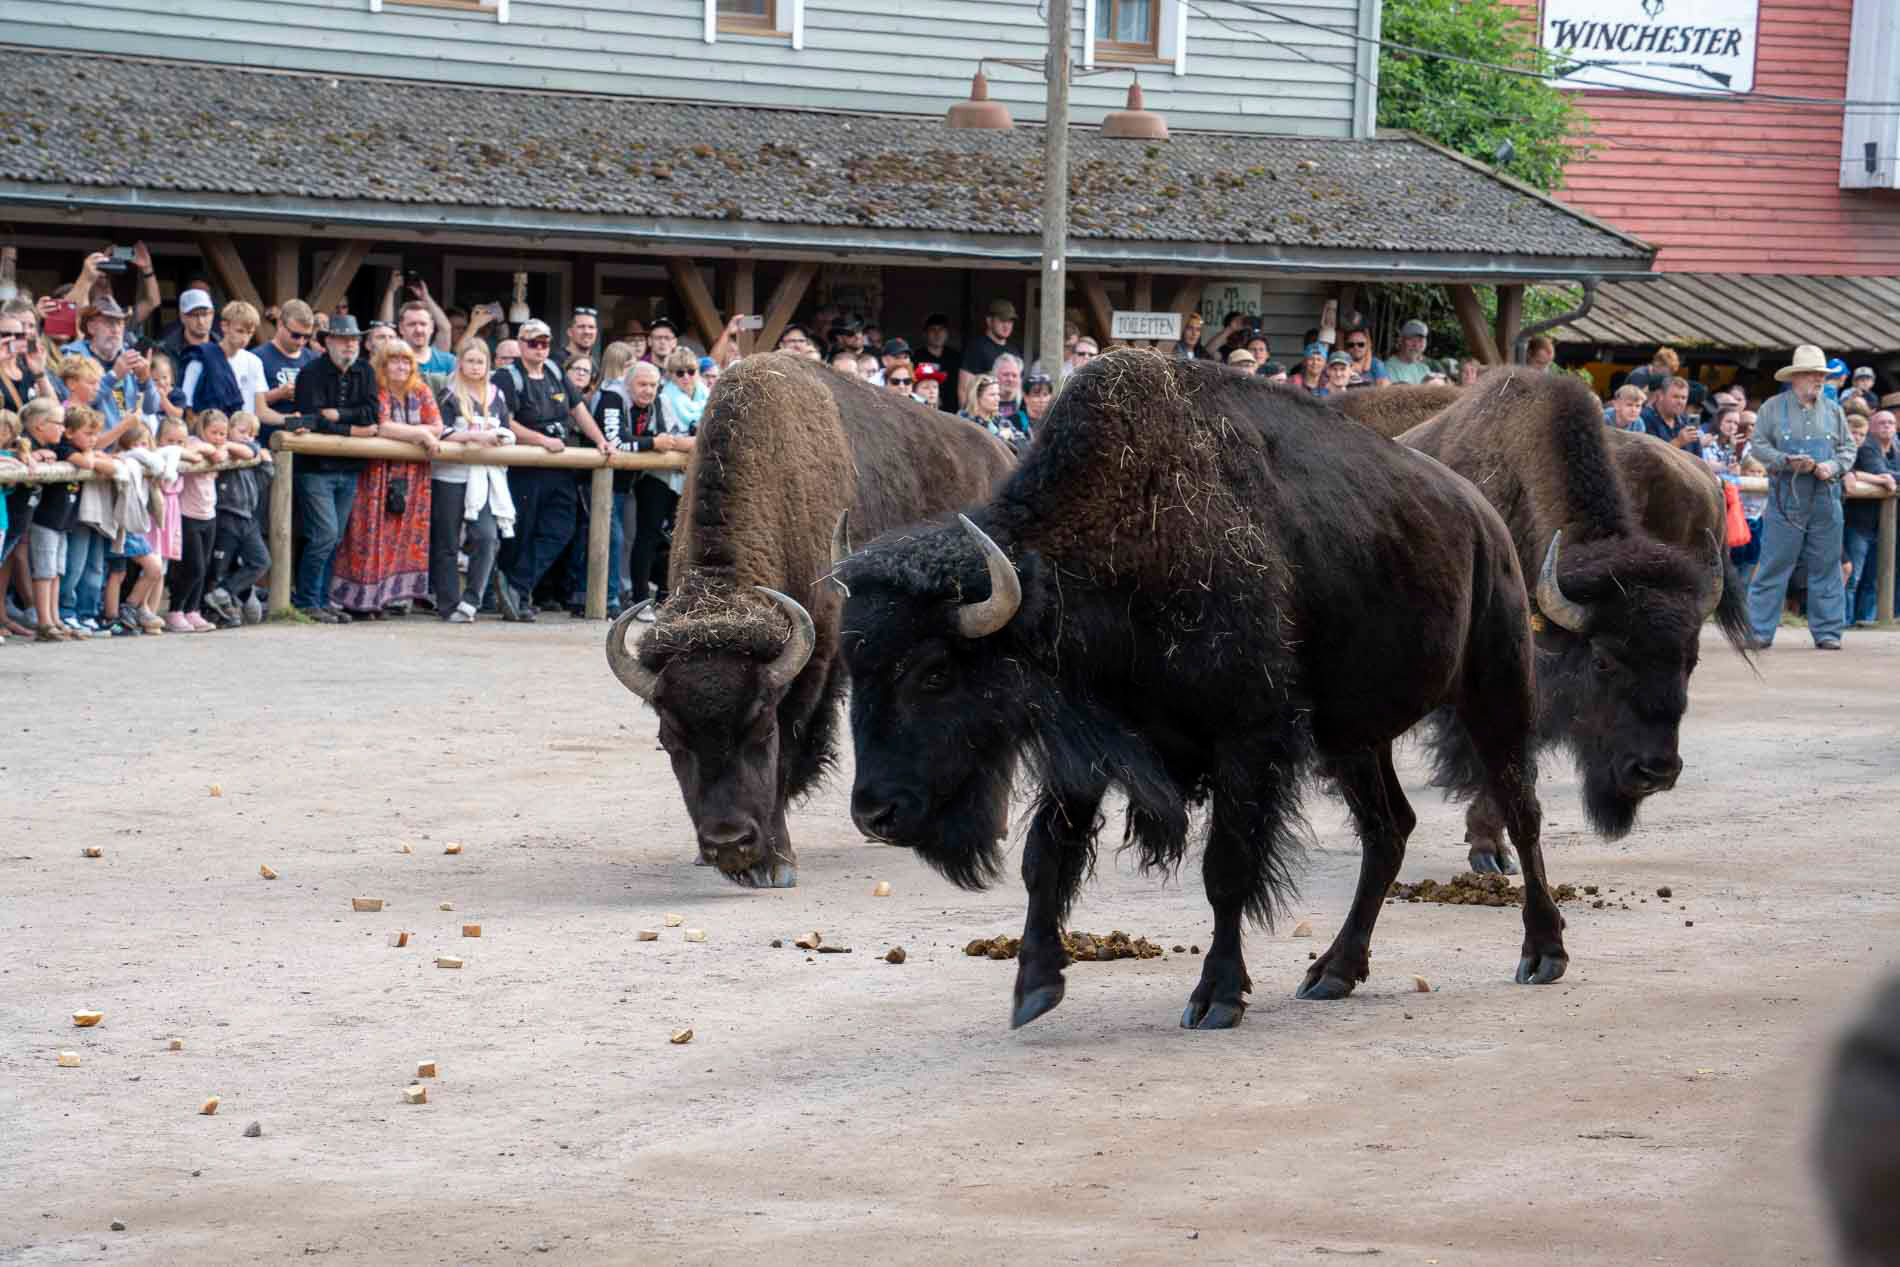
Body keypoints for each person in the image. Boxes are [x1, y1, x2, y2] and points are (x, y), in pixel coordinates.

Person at [1744, 345, 1858, 650]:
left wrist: (1831, 466)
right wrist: (1785, 460)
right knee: (1774, 564)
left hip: (1825, 495)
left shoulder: (1834, 411)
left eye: (1822, 375)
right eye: (1812, 374)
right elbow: (1757, 445)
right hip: (1786, 496)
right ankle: (1758, 631)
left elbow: (1848, 449)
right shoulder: (1771, 407)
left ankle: (1828, 633)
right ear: (1795, 377)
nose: (1819, 380)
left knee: (1827, 565)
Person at [492, 318, 605, 622]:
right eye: (533, 343)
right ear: (520, 344)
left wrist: (600, 440)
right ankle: (516, 594)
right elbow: (506, 420)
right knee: (521, 533)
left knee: (561, 528)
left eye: (544, 343)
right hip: (525, 466)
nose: (540, 349)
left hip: (560, 465)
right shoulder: (507, 377)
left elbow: (577, 408)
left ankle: (517, 585)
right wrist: (541, 440)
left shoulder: (556, 370)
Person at [330, 338, 440, 617]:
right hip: (376, 475)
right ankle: (358, 601)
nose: (401, 366)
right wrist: (419, 434)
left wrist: (422, 432)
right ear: (382, 364)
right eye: (394, 360)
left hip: (413, 476)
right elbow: (382, 425)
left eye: (406, 361)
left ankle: (388, 599)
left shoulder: (422, 390)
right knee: (367, 535)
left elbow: (438, 425)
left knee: (402, 535)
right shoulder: (374, 390)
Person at [291, 315, 380, 622]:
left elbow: (372, 413)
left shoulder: (366, 370)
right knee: (324, 535)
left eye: (354, 339)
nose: (349, 345)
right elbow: (313, 419)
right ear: (327, 341)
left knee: (335, 537)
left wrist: (339, 415)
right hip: (314, 467)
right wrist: (355, 430)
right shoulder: (310, 372)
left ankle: (321, 599)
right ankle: (305, 601)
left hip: (350, 467)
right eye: (343, 339)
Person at [432, 337, 516, 623]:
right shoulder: (447, 394)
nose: (476, 366)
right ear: (460, 362)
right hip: (450, 476)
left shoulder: (497, 395)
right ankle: (447, 604)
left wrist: (502, 437)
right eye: (470, 360)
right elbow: (441, 432)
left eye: (480, 361)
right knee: (446, 540)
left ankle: (471, 601)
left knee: (487, 537)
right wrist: (477, 436)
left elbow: (506, 427)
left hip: (486, 477)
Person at [625, 348, 703, 619]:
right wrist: (701, 441)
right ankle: (639, 598)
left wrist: (693, 442)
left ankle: (669, 595)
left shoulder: (705, 396)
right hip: (657, 477)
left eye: (691, 371)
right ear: (670, 375)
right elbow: (669, 439)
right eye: (679, 372)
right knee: (647, 538)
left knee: (679, 540)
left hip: (688, 477)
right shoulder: (663, 398)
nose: (685, 377)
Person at [170, 409, 247, 633]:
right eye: (214, 432)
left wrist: (227, 446)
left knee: (204, 568)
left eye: (223, 433)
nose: (219, 437)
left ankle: (193, 610)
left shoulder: (224, 445)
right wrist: (210, 448)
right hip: (188, 515)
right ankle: (176, 609)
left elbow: (247, 451)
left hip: (209, 515)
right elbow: (188, 449)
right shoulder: (193, 442)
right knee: (192, 568)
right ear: (202, 430)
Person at [60, 295, 158, 435]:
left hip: (129, 444)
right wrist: (114, 376)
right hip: (94, 448)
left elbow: (151, 408)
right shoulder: (74, 356)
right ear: (91, 327)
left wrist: (146, 381)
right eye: (109, 323)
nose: (116, 330)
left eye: (120, 323)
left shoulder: (129, 356)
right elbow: (72, 404)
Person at [1844, 409, 1899, 627]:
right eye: (1882, 422)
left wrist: (1885, 477)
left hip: (1885, 525)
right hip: (1859, 523)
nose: (1887, 426)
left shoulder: (1897, 448)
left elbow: (1888, 476)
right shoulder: (1867, 447)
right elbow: (1878, 470)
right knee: (1853, 576)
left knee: (1875, 579)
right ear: (1872, 427)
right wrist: (1882, 477)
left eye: (1891, 423)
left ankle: (1866, 621)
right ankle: (1845, 622)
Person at [178, 301, 266, 419]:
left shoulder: (255, 362)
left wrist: (288, 419)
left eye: (250, 333)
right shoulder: (201, 358)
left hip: (246, 434)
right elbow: (188, 408)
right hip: (208, 433)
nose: (244, 338)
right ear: (224, 326)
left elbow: (261, 411)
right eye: (240, 331)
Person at [253, 298, 319, 437]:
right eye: (295, 335)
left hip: (308, 442)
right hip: (270, 441)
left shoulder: (314, 360)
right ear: (280, 324)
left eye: (307, 337)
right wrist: (277, 394)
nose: (301, 342)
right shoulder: (256, 358)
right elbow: (247, 402)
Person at [959, 299, 1019, 409]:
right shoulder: (976, 347)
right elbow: (964, 389)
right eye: (1002, 320)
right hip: (983, 415)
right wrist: (967, 417)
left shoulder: (1014, 350)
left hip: (1010, 415)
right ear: (989, 321)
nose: (1007, 325)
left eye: (1010, 321)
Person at [1642, 375, 1700, 457]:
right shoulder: (1645, 418)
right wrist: (1678, 442)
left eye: (1683, 398)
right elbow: (1649, 457)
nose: (1680, 402)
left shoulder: (1687, 421)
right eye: (1675, 397)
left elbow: (1698, 457)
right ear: (1661, 396)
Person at [158, 287, 216, 367]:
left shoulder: (224, 348)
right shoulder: (165, 351)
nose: (201, 321)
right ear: (182, 317)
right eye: (194, 315)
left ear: (212, 314)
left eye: (205, 314)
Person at [919, 314, 961, 411]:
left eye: (941, 329)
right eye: (933, 330)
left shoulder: (955, 357)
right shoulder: (917, 357)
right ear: (925, 333)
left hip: (953, 411)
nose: (937, 333)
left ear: (947, 333)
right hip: (925, 409)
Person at [1386, 319, 1432, 384]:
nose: (1416, 345)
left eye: (1420, 340)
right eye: (1411, 339)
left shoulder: (1424, 369)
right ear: (1400, 340)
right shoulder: (1388, 368)